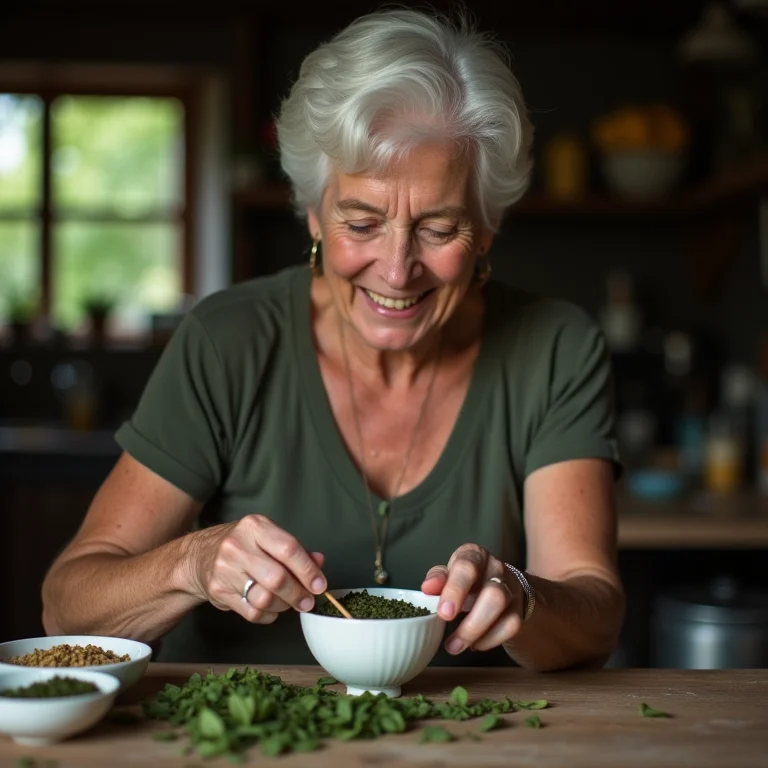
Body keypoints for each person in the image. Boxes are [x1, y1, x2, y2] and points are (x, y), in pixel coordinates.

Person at [42, 8, 625, 671]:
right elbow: (66, 609)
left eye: (438, 228)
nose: (397, 269)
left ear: (486, 230)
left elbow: (594, 614)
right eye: (362, 222)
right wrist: (194, 563)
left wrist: (523, 597)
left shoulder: (555, 348)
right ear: (315, 215)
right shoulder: (227, 340)